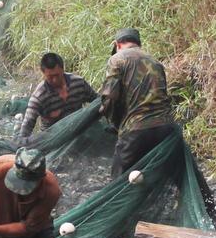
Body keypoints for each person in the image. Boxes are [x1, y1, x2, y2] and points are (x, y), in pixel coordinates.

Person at [101, 28, 175, 178]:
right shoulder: (155, 61)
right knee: (161, 176)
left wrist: (114, 124)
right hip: (166, 129)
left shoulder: (117, 59)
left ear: (117, 44)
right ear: (138, 43)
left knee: (117, 184)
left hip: (136, 130)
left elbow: (109, 98)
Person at [18, 52, 98, 141]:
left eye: (57, 75)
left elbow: (97, 101)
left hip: (78, 134)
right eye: (50, 77)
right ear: (43, 73)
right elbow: (26, 127)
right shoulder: (39, 97)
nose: (55, 80)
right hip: (52, 140)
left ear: (63, 70)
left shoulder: (78, 83)